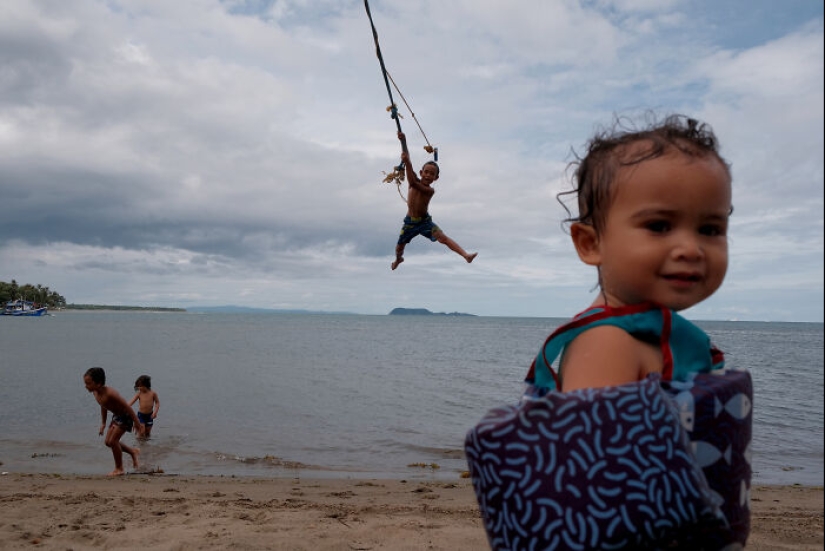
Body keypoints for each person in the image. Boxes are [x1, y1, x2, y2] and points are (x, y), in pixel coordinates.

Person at [531, 114, 732, 392]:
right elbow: (594, 435)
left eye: (710, 230)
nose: (691, 249)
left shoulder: (649, 332)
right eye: (659, 226)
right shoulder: (608, 343)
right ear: (591, 244)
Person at [391, 131, 477, 270]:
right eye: (426, 172)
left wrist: (407, 161)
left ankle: (466, 255)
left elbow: (413, 182)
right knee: (399, 246)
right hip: (410, 222)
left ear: (436, 178)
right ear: (421, 172)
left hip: (424, 222)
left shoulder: (429, 190)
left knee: (442, 238)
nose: (428, 175)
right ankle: (398, 259)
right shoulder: (414, 178)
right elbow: (408, 161)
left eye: (432, 174)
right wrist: (403, 142)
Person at [83, 367, 143, 476]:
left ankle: (119, 468)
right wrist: (103, 424)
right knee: (108, 442)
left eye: (88, 383)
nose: (86, 386)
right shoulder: (96, 393)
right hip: (116, 417)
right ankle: (133, 451)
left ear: (99, 383)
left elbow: (127, 407)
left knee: (113, 441)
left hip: (126, 416)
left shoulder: (111, 393)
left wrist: (137, 423)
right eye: (85, 383)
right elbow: (103, 405)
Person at [129, 374, 160, 439]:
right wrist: (123, 407)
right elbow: (131, 402)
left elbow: (157, 403)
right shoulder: (139, 394)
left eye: (140, 386)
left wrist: (155, 413)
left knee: (147, 433)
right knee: (142, 432)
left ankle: (146, 447)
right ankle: (139, 446)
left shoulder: (153, 393)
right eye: (137, 386)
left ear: (145, 385)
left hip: (150, 415)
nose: (138, 388)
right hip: (141, 415)